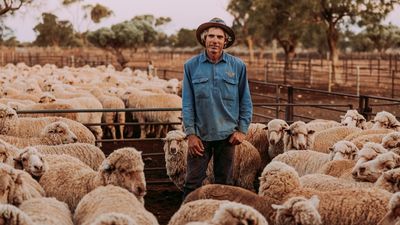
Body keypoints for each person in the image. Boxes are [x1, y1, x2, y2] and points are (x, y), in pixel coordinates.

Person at [181, 17, 253, 199]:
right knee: (192, 183)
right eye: (211, 36)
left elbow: (245, 100)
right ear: (204, 39)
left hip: (227, 136)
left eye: (219, 37)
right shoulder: (191, 66)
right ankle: (187, 217)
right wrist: (191, 134)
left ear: (225, 41)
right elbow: (187, 103)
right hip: (200, 136)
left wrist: (242, 130)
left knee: (224, 184)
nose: (215, 40)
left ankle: (221, 218)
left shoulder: (237, 66)